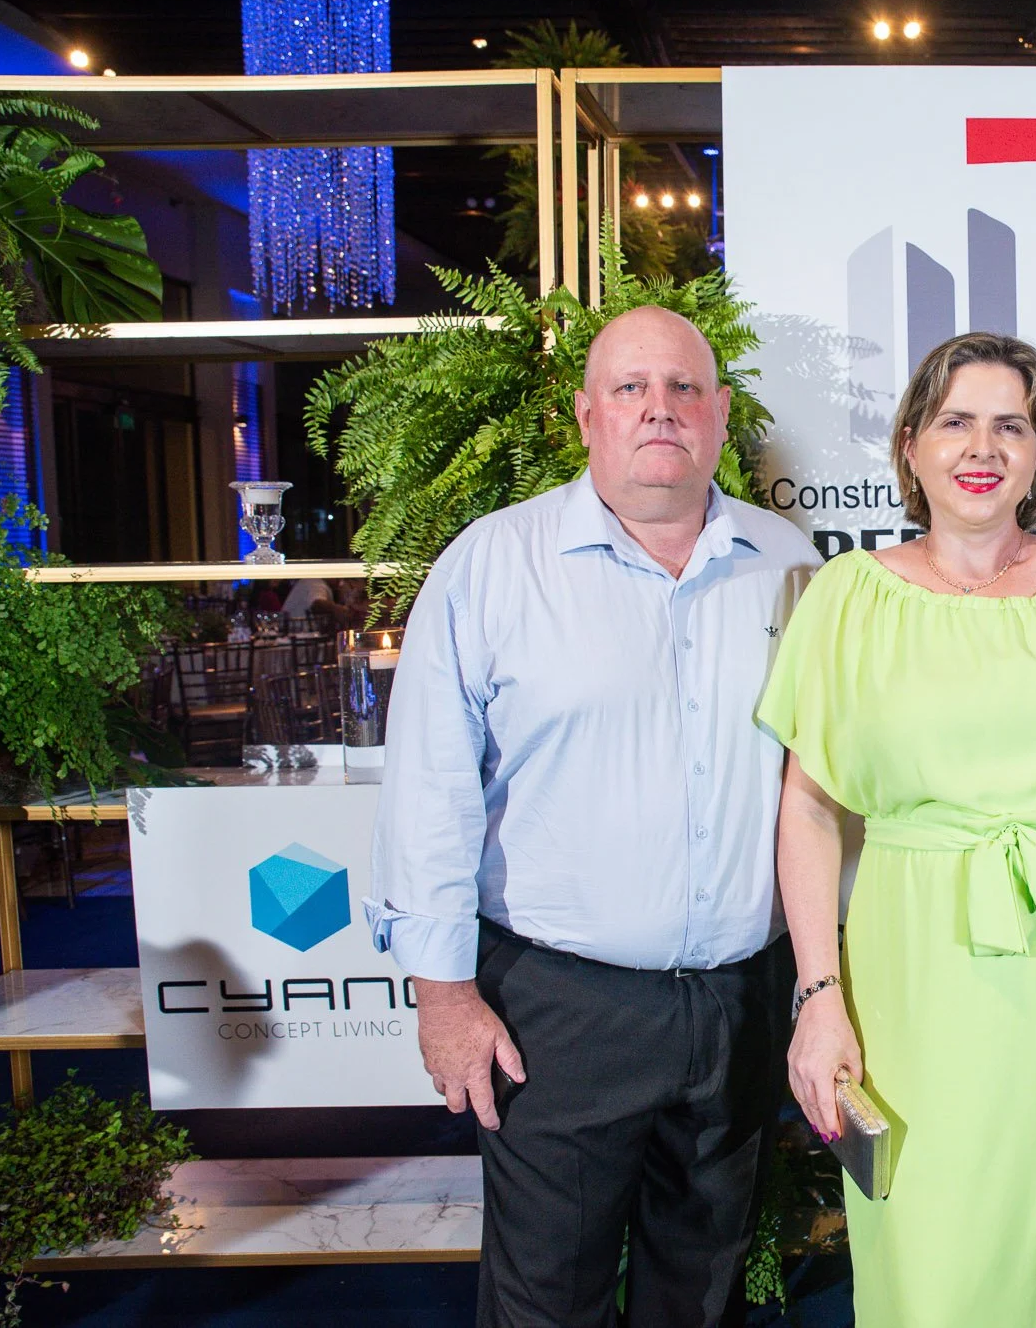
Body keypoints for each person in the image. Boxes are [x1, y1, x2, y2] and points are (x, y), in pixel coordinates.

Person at [364, 305, 820, 1328]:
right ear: (585, 416)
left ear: (721, 412)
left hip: (740, 1002)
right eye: (630, 388)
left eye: (684, 388)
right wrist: (443, 996)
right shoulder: (493, 563)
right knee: (546, 1298)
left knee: (700, 1292)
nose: (660, 408)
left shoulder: (790, 561)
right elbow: (430, 788)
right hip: (558, 1013)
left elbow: (825, 780)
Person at [758, 332, 1036, 1327]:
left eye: (1010, 425)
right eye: (955, 421)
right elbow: (810, 808)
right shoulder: (847, 596)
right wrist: (818, 996)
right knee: (933, 1230)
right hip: (912, 961)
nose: (981, 447)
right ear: (911, 445)